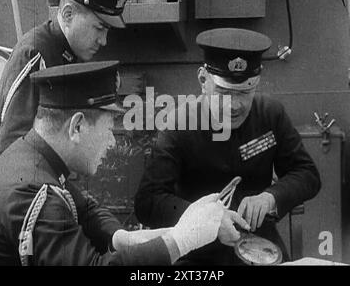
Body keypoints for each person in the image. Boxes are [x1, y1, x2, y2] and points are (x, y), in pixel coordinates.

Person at [0, 61, 249, 266]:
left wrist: (125, 238)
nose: (112, 142)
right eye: (108, 129)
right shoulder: (34, 193)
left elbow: (85, 209)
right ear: (77, 126)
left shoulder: (32, 159)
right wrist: (182, 239)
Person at [134, 28, 322, 265]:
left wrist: (271, 198)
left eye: (244, 92)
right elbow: (147, 201)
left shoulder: (270, 115)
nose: (234, 105)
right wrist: (207, 221)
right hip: (196, 252)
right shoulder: (179, 125)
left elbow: (307, 174)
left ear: (257, 82)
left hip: (260, 246)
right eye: (223, 92)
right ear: (203, 80)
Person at [0, 0, 134, 158]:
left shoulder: (69, 52)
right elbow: (11, 148)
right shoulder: (35, 53)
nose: (104, 40)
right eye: (99, 28)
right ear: (68, 15)